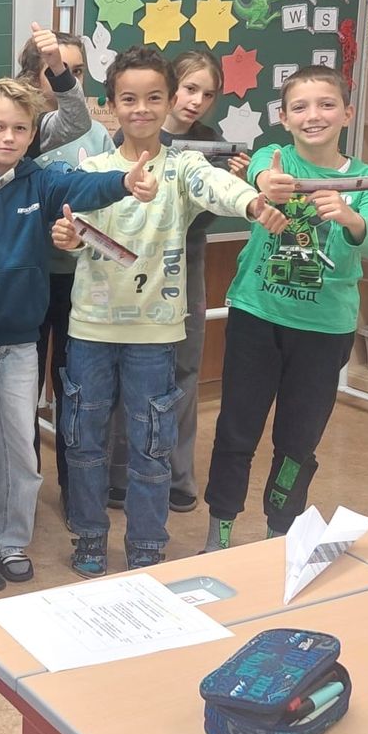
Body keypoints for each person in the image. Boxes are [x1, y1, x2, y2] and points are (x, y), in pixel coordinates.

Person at [55, 46, 286, 576]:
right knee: (84, 444)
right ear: (110, 105)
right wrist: (66, 237)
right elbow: (74, 232)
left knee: (151, 446)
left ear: (168, 102)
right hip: (90, 330)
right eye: (129, 99)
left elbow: (220, 188)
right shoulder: (91, 170)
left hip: (156, 333)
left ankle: (146, 547)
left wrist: (253, 200)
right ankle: (90, 538)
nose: (142, 109)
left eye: (154, 97)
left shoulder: (184, 168)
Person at [0, 78, 153, 591]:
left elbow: (84, 188)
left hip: (21, 341)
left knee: (21, 452)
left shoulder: (40, 181)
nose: (8, 138)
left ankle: (10, 539)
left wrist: (123, 182)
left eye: (20, 129)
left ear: (33, 134)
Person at [203, 66, 368, 548]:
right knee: (236, 429)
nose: (314, 115)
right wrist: (267, 180)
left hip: (324, 330)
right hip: (257, 318)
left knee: (298, 439)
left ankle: (279, 532)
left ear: (347, 113)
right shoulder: (277, 155)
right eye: (301, 107)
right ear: (283, 117)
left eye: (327, 104)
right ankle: (219, 530)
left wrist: (350, 219)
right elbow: (261, 169)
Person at [104, 49, 251, 514]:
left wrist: (236, 187)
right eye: (189, 89)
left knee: (183, 368)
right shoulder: (135, 130)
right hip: (130, 261)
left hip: (186, 261)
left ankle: (177, 473)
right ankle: (122, 470)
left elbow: (208, 212)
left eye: (207, 94)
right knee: (128, 364)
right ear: (171, 92)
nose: (196, 101)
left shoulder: (214, 145)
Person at [20, 32, 115, 529]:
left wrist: (82, 238)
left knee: (74, 388)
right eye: (57, 69)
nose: (69, 79)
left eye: (78, 71)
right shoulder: (24, 130)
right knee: (25, 389)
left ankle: (77, 494)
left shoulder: (97, 134)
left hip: (83, 281)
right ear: (34, 77)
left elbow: (106, 204)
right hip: (33, 277)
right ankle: (24, 494)